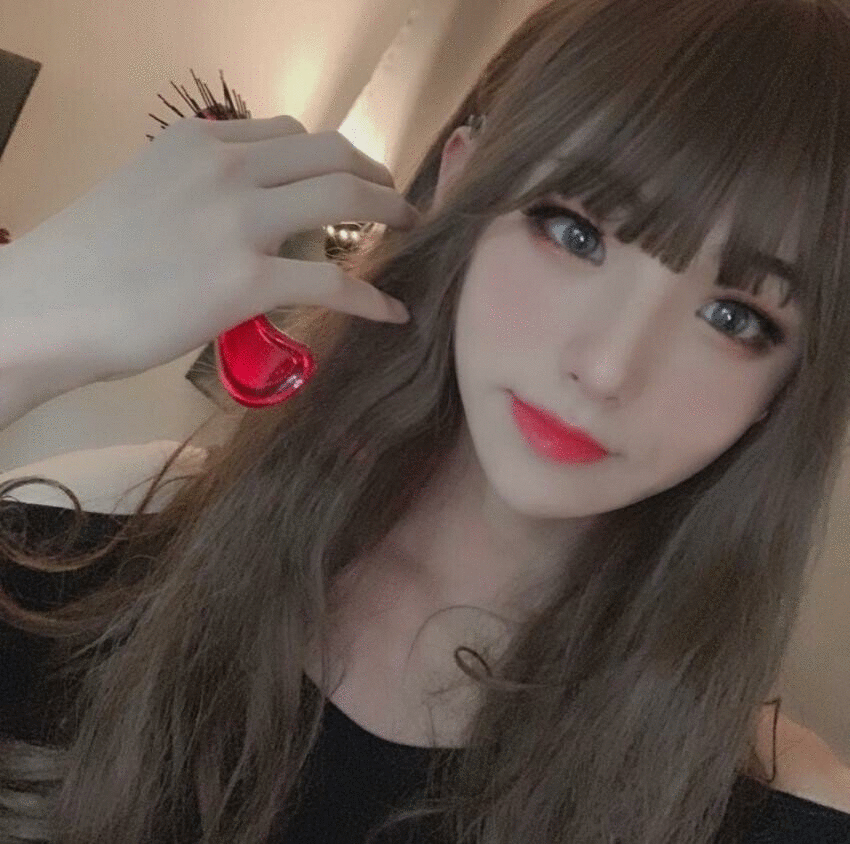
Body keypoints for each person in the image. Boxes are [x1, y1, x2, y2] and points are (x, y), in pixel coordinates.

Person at [1, 0, 850, 841]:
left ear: (792, 383)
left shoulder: (778, 819)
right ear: (461, 184)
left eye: (736, 318)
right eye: (576, 233)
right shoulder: (72, 571)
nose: (606, 368)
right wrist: (22, 323)